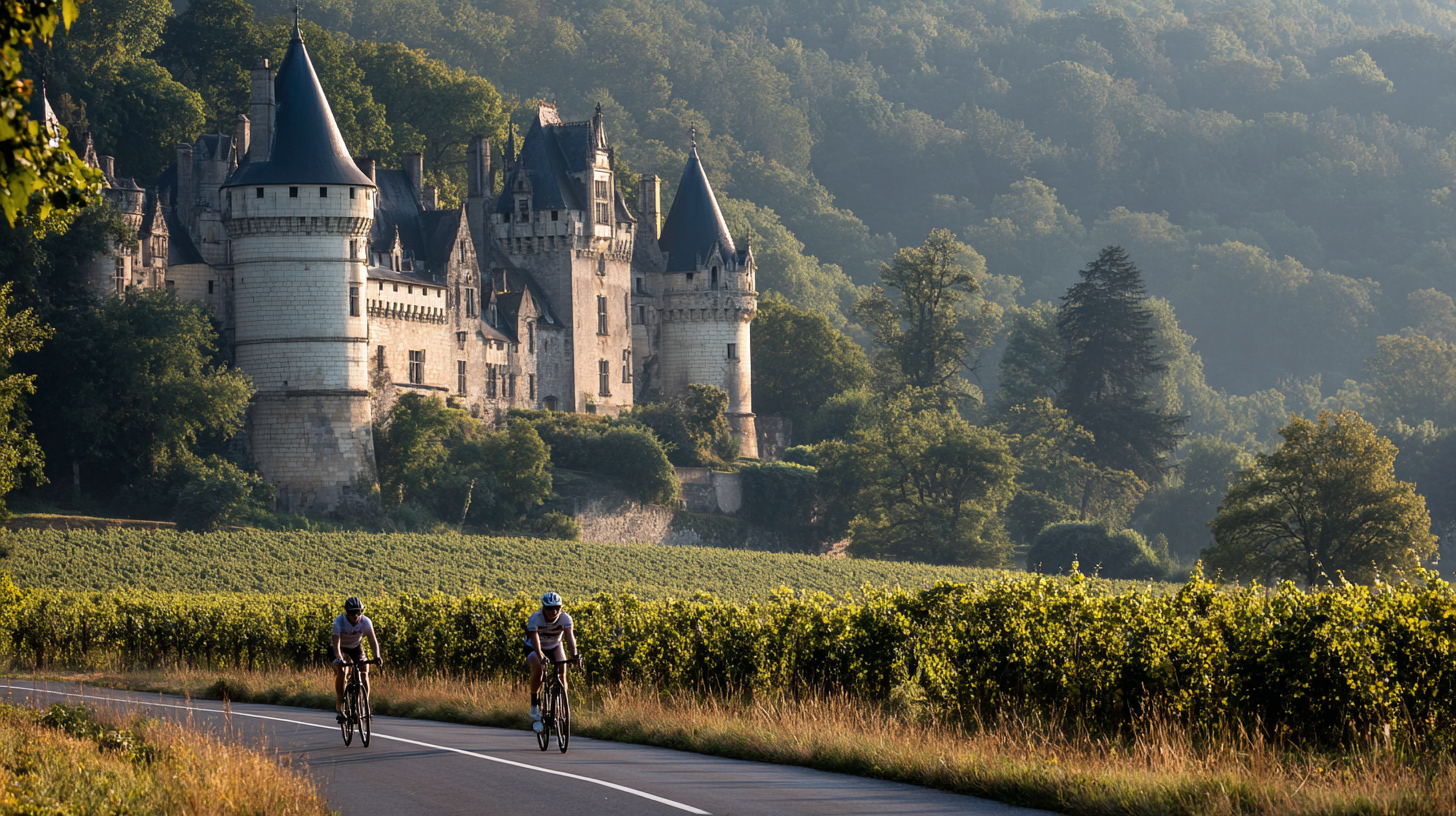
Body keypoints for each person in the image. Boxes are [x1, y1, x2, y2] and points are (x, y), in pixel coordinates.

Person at [524, 591, 579, 727]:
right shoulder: (535, 618)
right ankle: (534, 705)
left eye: (556, 608)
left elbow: (570, 638)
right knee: (539, 669)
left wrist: (575, 655)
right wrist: (541, 655)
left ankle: (560, 705)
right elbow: (534, 638)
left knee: (562, 673)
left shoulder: (565, 618)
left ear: (561, 608)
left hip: (554, 646)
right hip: (534, 647)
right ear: (543, 608)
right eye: (549, 608)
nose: (553, 611)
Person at [331, 596, 383, 722]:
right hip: (341, 649)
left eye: (358, 612)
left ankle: (364, 705)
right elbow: (336, 643)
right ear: (346, 612)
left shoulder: (365, 622)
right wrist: (339, 658)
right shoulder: (339, 622)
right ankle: (340, 707)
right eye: (351, 613)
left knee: (364, 673)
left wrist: (377, 656)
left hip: (356, 648)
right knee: (343, 672)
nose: (355, 616)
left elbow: (372, 640)